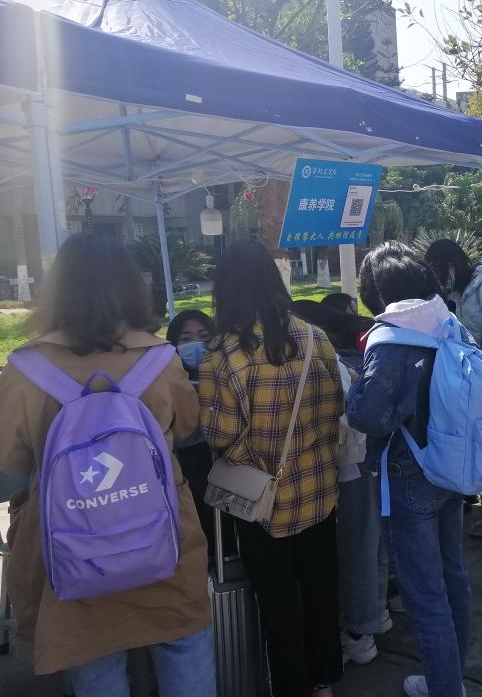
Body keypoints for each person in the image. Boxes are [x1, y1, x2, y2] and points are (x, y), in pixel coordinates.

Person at [0, 233, 214, 696]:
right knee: (182, 643)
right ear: (130, 285)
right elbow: (186, 428)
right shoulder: (159, 359)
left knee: (94, 657)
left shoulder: (24, 369)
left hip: (72, 546)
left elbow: (11, 457)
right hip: (162, 535)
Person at [200, 240, 343, 697]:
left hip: (261, 506)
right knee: (321, 594)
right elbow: (336, 408)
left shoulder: (222, 355)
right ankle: (324, 683)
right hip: (319, 493)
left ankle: (291, 687)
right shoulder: (314, 337)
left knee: (279, 608)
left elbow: (220, 436)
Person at [347, 244, 471, 697]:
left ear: (376, 290)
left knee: (424, 595)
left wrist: (355, 386)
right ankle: (451, 679)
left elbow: (369, 416)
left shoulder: (390, 337)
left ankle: (444, 688)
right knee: (454, 576)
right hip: (452, 464)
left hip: (408, 472)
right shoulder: (448, 322)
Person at [291, 299, 392, 665]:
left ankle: (359, 633)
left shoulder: (323, 355)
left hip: (351, 460)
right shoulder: (359, 350)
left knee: (357, 546)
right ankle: (376, 613)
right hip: (372, 455)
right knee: (372, 539)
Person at [423, 239, 482, 544]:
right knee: (480, 441)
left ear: (452, 265)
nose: (440, 278)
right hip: (471, 375)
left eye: (439, 270)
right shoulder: (455, 292)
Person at [165, 310, 226, 557]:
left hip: (225, 471)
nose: (196, 345)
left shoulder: (227, 372)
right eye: (186, 339)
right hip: (188, 472)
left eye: (203, 336)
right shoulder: (166, 379)